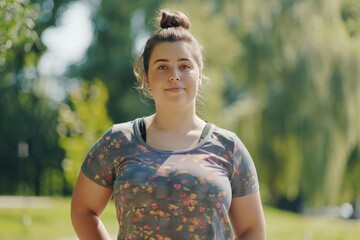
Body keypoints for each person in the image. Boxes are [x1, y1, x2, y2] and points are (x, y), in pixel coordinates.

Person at [71, 9, 266, 240]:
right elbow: (83, 211)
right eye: (162, 67)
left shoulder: (229, 147)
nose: (174, 75)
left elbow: (251, 229)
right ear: (146, 78)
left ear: (200, 75)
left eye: (185, 66)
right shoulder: (118, 141)